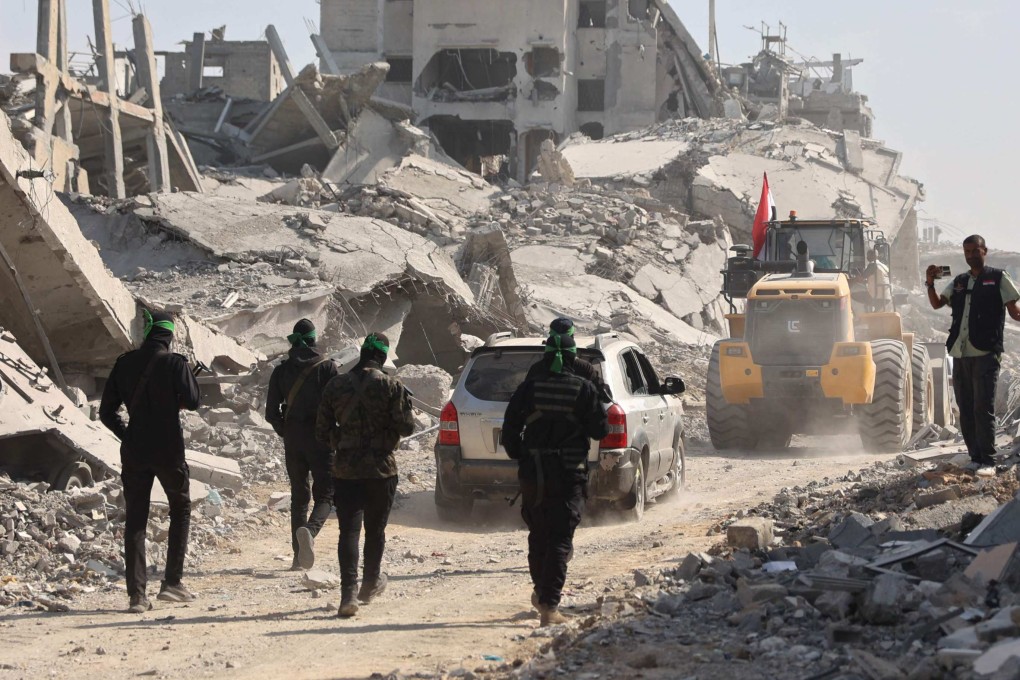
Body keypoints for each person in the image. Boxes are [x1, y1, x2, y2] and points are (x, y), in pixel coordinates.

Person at [502, 324, 609, 626]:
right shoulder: (584, 388)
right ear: (574, 357)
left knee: (538, 534)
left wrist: (523, 454)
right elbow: (600, 429)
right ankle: (549, 605)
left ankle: (540, 593)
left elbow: (509, 430)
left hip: (533, 473)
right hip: (569, 473)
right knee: (561, 538)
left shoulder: (530, 386)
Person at [99, 309, 200, 613]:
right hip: (169, 450)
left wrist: (127, 434)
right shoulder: (175, 363)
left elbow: (106, 412)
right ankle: (171, 584)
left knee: (136, 520)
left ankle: (137, 596)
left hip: (135, 451)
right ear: (170, 336)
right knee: (180, 508)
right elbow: (193, 401)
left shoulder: (125, 363)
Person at [315, 332, 414, 618]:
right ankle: (369, 584)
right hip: (381, 470)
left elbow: (321, 431)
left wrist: (342, 439)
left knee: (348, 531)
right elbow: (407, 427)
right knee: (375, 530)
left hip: (345, 469)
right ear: (382, 356)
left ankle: (348, 595)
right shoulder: (391, 385)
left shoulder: (336, 385)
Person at [926, 235, 1020, 469]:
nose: (970, 256)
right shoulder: (959, 281)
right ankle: (974, 456)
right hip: (961, 352)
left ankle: (987, 458)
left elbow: (1014, 312)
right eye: (967, 252)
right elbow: (938, 303)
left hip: (986, 352)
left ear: (984, 251)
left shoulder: (998, 277)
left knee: (982, 406)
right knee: (965, 407)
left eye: (974, 251)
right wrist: (930, 283)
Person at [266, 319, 340, 570]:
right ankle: (310, 531)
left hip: (293, 439)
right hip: (321, 439)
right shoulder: (327, 368)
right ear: (314, 339)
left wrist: (285, 430)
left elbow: (271, 413)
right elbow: (337, 407)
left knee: (299, 496)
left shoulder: (281, 370)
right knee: (326, 494)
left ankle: (298, 559)